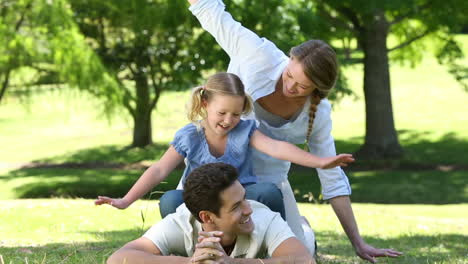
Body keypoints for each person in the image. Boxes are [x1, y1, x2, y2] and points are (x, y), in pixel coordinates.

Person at [186, 0, 403, 262]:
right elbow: (212, 14)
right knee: (192, 244)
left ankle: (304, 231)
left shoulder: (319, 113)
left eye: (302, 86)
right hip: (218, 174)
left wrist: (357, 242)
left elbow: (331, 177)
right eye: (290, 75)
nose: (290, 87)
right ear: (289, 59)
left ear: (317, 89)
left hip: (270, 185)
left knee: (295, 255)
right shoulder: (257, 54)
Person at [96, 72, 353, 221]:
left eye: (236, 114)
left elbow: (277, 148)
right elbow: (159, 170)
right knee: (170, 200)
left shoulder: (245, 130)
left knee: (268, 192)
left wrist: (320, 161)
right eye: (222, 113)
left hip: (241, 198)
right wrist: (126, 200)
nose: (229, 121)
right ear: (205, 103)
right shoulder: (190, 135)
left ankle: (272, 249)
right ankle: (191, 250)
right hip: (202, 201)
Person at [107, 163, 315, 264]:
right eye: (236, 206)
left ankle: (304, 226)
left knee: (305, 239)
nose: (248, 208)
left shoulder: (263, 217)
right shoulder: (181, 222)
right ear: (206, 217)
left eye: (244, 197)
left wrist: (233, 263)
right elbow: (118, 259)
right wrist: (190, 263)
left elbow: (305, 261)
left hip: (298, 237)